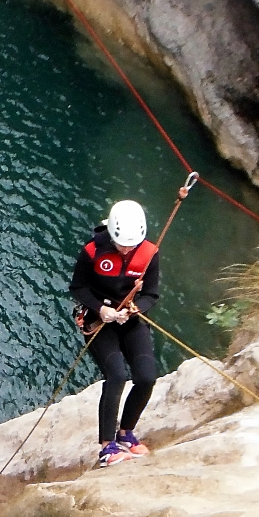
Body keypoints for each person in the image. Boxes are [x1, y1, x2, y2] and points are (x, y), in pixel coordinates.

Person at [68, 200, 160, 467]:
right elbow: (78, 288)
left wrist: (134, 309)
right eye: (121, 244)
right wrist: (101, 309)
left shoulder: (150, 253)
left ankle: (126, 433)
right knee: (117, 375)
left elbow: (151, 294)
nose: (126, 249)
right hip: (99, 319)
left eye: (131, 245)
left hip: (129, 318)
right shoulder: (93, 251)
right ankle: (107, 445)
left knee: (146, 377)